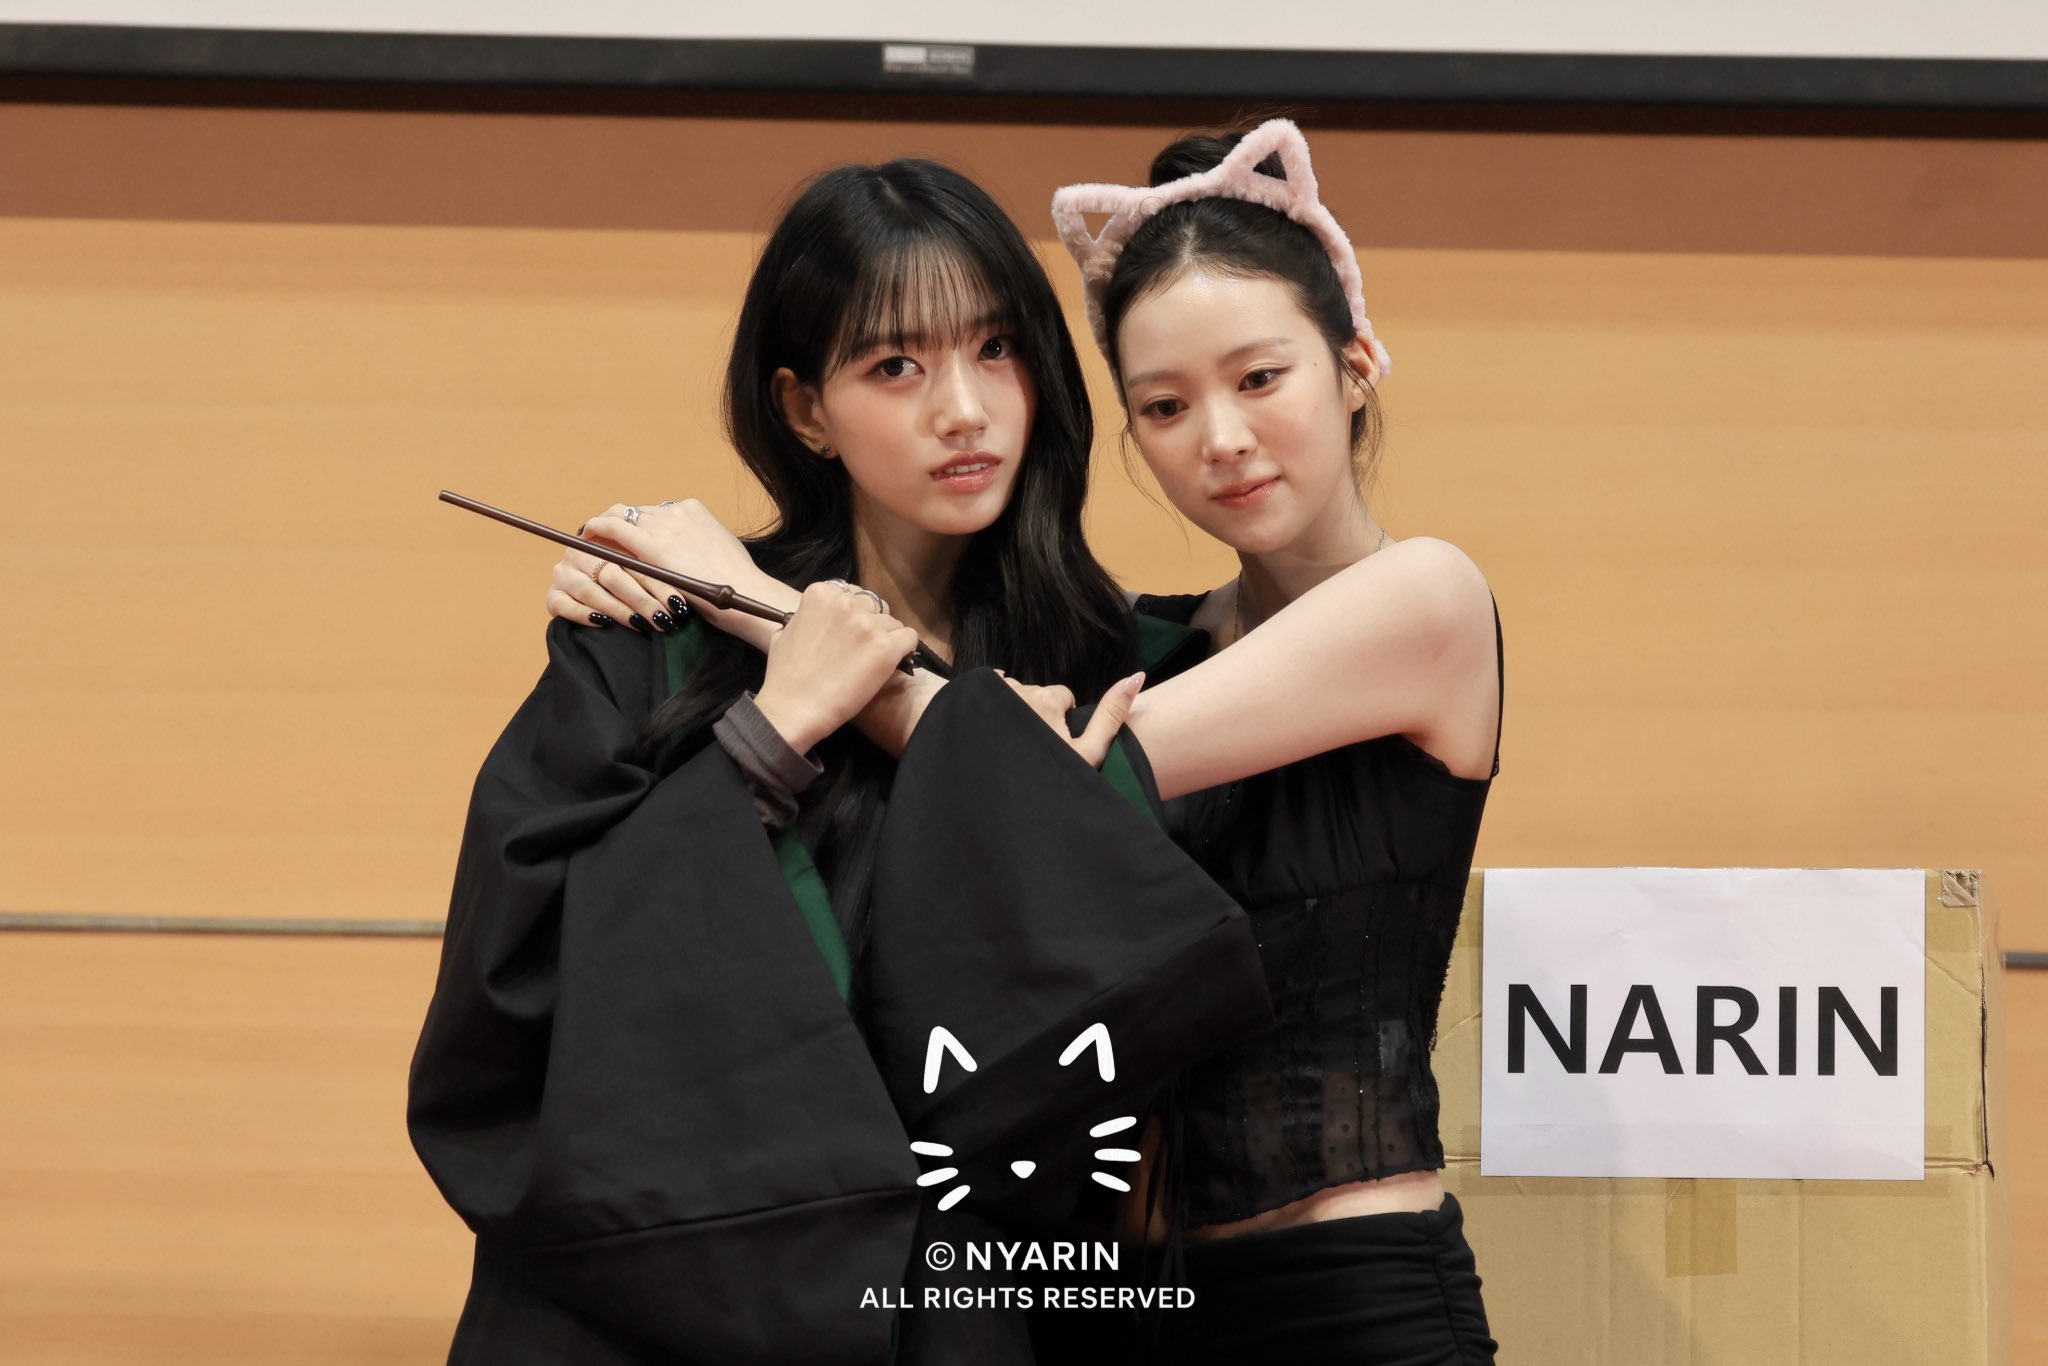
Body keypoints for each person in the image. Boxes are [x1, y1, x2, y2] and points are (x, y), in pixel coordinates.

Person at [552, 119, 1502, 1364]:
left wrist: (753, 598)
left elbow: (1035, 783)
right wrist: (634, 578)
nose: (1218, 437)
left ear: (1356, 363)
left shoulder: (1425, 600)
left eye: (1260, 378)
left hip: (1351, 1294)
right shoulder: (1144, 641)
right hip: (1132, 1304)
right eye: (1164, 404)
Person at [407, 156, 1272, 1366]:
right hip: (645, 1330)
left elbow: (1144, 1017)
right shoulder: (656, 642)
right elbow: (508, 1008)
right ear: (803, 407)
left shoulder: (1118, 675)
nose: (962, 410)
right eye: (893, 366)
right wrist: (763, 742)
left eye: (994, 348)